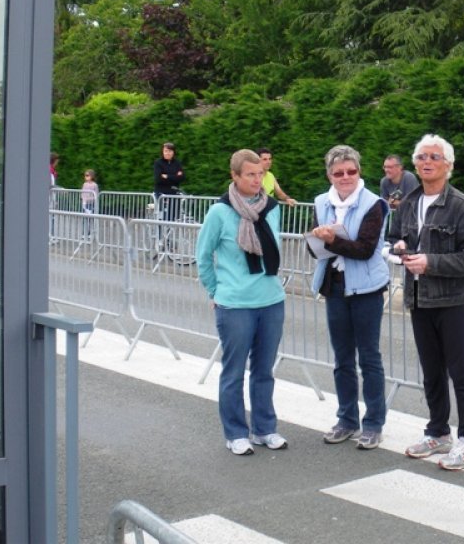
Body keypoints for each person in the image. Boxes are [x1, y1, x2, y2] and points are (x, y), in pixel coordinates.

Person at [389, 134, 464, 471]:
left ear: (448, 165)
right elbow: (393, 238)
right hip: (418, 297)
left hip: (453, 299)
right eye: (421, 157)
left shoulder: (460, 205)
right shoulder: (408, 202)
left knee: (462, 372)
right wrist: (398, 248)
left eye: (434, 157)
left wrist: (430, 262)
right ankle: (438, 432)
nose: (426, 162)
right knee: (431, 371)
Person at [195, 149, 287, 456]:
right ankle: (235, 433)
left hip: (271, 299)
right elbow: (203, 256)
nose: (257, 180)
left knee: (264, 370)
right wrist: (215, 291)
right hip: (235, 304)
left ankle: (264, 429)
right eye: (250, 174)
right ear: (234, 176)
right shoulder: (219, 212)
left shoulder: (271, 207)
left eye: (260, 174)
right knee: (233, 372)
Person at [309, 145, 389, 450]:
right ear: (329, 174)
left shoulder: (374, 204)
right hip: (335, 286)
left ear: (359, 171)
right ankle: (346, 419)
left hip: (367, 288)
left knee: (369, 357)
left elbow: (366, 249)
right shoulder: (321, 202)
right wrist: (317, 240)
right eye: (338, 172)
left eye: (351, 171)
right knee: (342, 358)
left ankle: (374, 423)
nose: (345, 177)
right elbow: (314, 244)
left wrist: (332, 240)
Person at [153, 142, 185, 220]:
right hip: (161, 194)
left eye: (170, 151)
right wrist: (175, 176)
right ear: (162, 152)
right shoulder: (158, 163)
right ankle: (160, 228)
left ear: (173, 152)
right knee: (162, 216)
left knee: (174, 216)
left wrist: (167, 176)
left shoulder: (177, 163)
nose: (168, 153)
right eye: (166, 151)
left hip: (174, 194)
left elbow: (182, 177)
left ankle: (170, 227)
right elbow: (159, 179)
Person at [80, 169, 99, 238]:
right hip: (84, 203)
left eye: (87, 175)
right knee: (84, 219)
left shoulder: (95, 185)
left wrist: (92, 200)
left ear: (92, 176)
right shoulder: (84, 184)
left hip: (91, 204)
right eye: (85, 175)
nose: (85, 177)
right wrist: (83, 200)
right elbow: (82, 193)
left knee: (90, 219)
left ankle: (90, 233)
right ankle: (83, 233)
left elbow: (96, 195)